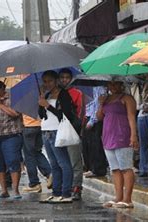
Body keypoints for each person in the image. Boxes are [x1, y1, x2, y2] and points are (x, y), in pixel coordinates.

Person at [97, 77, 138, 208]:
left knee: (126, 167)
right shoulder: (106, 99)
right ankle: (118, 197)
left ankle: (128, 199)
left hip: (122, 135)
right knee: (115, 169)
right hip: (108, 136)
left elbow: (131, 117)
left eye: (116, 83)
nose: (113, 86)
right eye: (110, 83)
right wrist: (101, 104)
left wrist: (133, 135)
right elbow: (99, 117)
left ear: (122, 84)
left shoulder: (127, 98)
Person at [38, 70, 76, 204]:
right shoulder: (46, 95)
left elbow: (64, 115)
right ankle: (56, 192)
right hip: (46, 131)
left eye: (50, 81)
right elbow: (41, 114)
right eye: (45, 81)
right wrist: (42, 101)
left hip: (57, 131)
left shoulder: (63, 94)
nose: (47, 84)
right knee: (53, 164)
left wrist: (48, 105)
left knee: (63, 163)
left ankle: (66, 193)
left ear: (56, 81)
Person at [58, 68, 84, 200]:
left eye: (67, 77)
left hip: (72, 129)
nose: (64, 80)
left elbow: (80, 112)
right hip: (57, 131)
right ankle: (65, 186)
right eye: (62, 77)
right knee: (62, 162)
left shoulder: (77, 93)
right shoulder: (54, 93)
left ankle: (77, 187)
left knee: (75, 161)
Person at [22, 114, 52, 193]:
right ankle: (49, 174)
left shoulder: (22, 101)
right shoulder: (37, 100)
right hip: (39, 125)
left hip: (28, 125)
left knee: (29, 156)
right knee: (37, 152)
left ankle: (34, 183)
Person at [82, 86, 109, 178]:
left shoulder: (100, 88)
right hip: (87, 116)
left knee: (96, 145)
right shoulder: (87, 88)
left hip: (95, 119)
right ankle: (91, 168)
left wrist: (92, 121)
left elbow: (97, 105)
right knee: (88, 145)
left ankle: (98, 169)